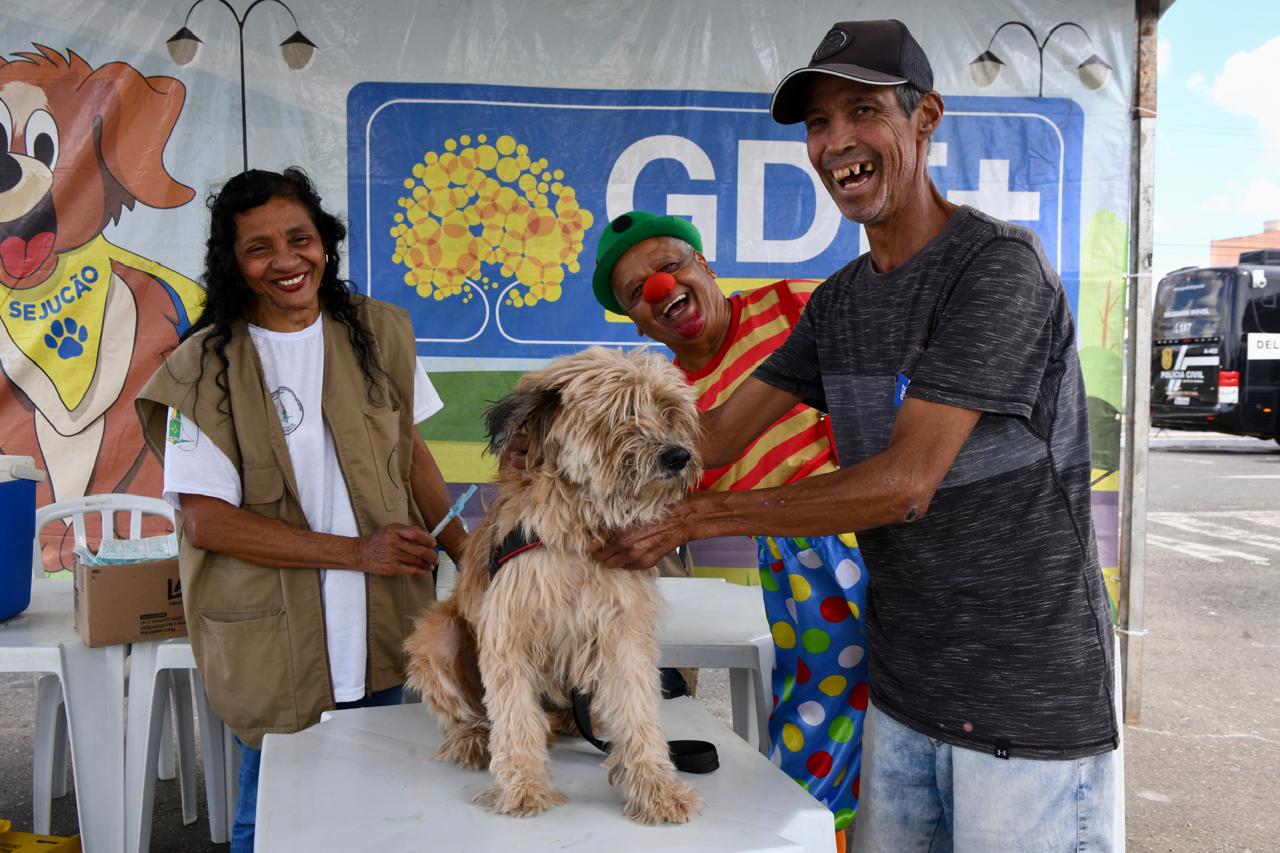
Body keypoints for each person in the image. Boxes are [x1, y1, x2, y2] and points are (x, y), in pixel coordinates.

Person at [594, 19, 1117, 852]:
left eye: (861, 111)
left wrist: (694, 519)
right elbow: (719, 435)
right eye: (817, 124)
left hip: (1025, 695)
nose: (837, 142)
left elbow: (905, 483)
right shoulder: (840, 302)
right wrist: (574, 443)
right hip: (905, 694)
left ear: (925, 117)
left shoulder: (997, 269)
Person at [135, 168, 466, 853]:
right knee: (276, 814)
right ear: (233, 262)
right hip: (271, 631)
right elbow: (206, 520)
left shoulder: (377, 333)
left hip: (378, 615)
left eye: (300, 238)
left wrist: (477, 557)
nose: (286, 261)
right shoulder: (204, 369)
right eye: (259, 248)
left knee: (378, 798)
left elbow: (412, 454)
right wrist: (355, 552)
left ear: (325, 242)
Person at [591, 210, 871, 838]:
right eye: (637, 293)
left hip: (890, 531)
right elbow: (637, 495)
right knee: (818, 725)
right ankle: (816, 840)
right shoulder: (665, 401)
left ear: (704, 265)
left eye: (669, 267)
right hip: (801, 570)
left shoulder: (795, 305)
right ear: (634, 319)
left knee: (921, 725)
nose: (659, 290)